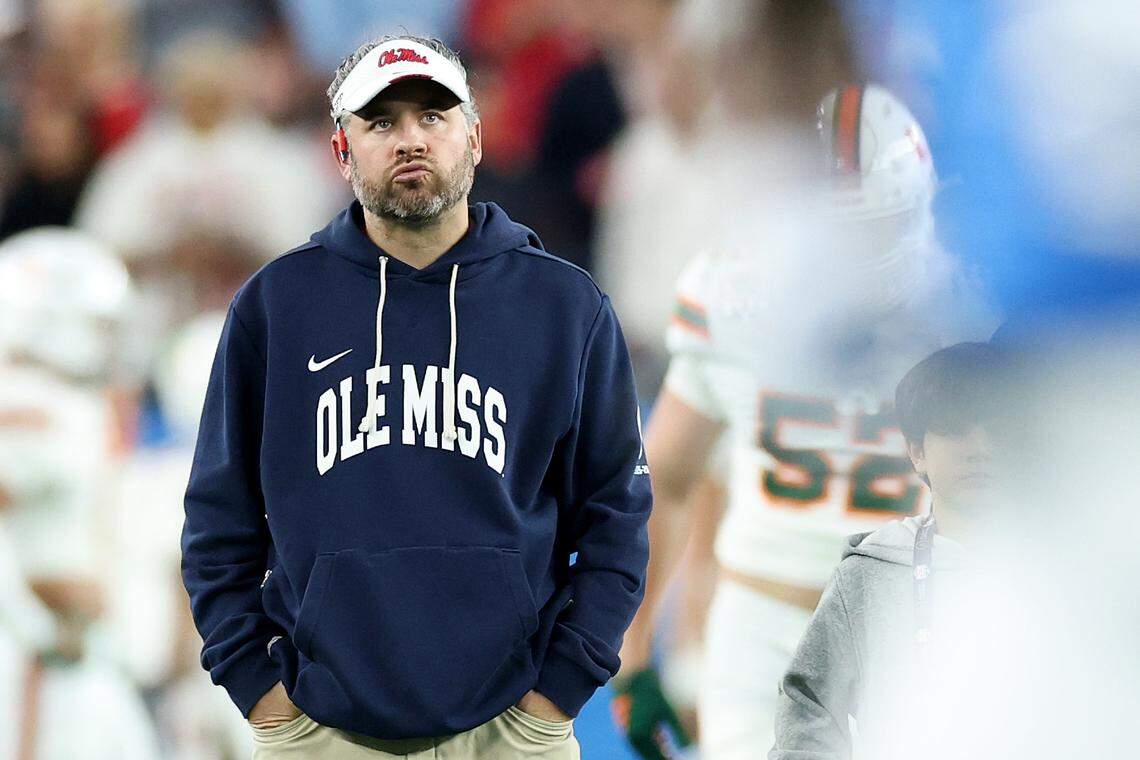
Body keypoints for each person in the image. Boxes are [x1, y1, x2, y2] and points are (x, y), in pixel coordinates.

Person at [180, 34, 652, 759]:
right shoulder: (275, 307)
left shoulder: (565, 307)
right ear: (341, 151)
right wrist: (263, 699)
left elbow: (617, 519)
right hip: (321, 731)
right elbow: (218, 525)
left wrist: (555, 698)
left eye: (433, 116)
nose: (410, 139)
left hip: (511, 732)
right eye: (381, 122)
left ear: (476, 138)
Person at [614, 80, 996, 759]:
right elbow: (664, 479)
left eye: (869, 230)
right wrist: (635, 652)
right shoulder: (731, 296)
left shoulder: (976, 306)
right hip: (765, 633)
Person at [770, 341, 1010, 759]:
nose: (981, 447)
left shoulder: (1074, 569)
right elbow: (807, 703)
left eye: (999, 428)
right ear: (916, 452)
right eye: (956, 429)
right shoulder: (871, 573)